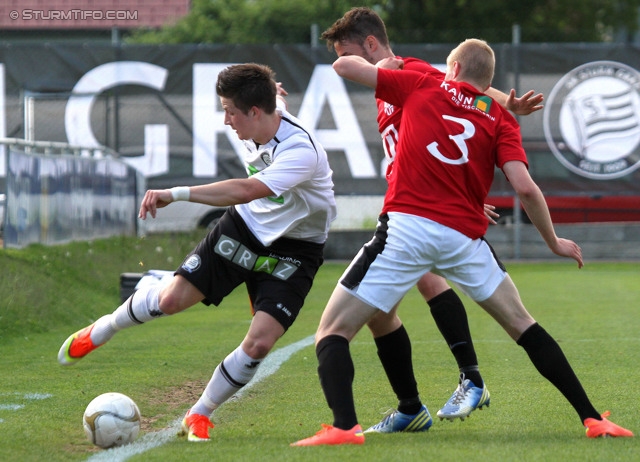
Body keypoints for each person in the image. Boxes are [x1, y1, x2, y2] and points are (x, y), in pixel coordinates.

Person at [291, 38, 633, 446]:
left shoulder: (422, 84)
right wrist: (554, 240)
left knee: (331, 332)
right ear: (487, 80)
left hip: (408, 230)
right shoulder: (501, 119)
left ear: (450, 68)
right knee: (524, 325)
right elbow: (524, 187)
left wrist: (397, 62)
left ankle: (345, 427)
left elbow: (344, 67)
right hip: (465, 239)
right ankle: (593, 418)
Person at [58, 63, 337, 442]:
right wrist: (268, 84)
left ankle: (199, 413)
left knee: (260, 342)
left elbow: (243, 190)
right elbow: (264, 99)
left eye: (230, 111)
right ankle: (102, 329)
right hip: (246, 227)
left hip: (297, 249)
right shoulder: (258, 114)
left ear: (255, 111)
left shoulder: (300, 150)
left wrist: (176, 193)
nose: (226, 120)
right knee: (172, 300)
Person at [319, 6, 544, 431]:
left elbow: (462, 89)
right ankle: (410, 408)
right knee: (380, 315)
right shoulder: (388, 83)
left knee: (424, 282)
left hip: (419, 209)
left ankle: (470, 379)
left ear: (371, 45)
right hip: (410, 197)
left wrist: (503, 102)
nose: (343, 60)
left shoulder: (411, 70)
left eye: (348, 50)